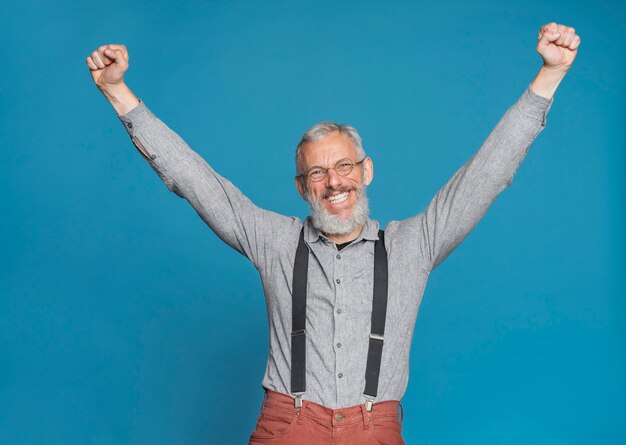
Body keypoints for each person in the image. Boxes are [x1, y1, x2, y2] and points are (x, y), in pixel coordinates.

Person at [86, 22, 580, 445]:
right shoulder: (272, 240)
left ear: (366, 171)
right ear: (302, 188)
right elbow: (192, 179)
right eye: (317, 174)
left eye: (343, 166)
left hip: (376, 427)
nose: (334, 182)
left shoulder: (414, 244)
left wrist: (549, 75)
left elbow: (486, 175)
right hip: (288, 424)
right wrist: (117, 92)